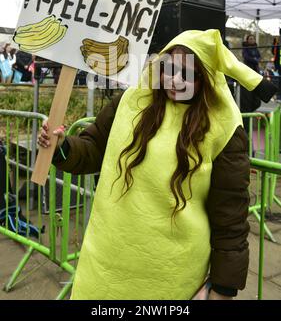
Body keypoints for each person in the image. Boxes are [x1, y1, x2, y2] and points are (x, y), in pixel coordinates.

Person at [38, 29, 276, 300]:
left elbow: (230, 215)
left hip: (171, 278)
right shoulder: (132, 102)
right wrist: (62, 147)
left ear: (206, 78)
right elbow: (92, 149)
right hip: (105, 266)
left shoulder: (223, 128)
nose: (174, 80)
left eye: (187, 74)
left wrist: (223, 288)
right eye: (169, 68)